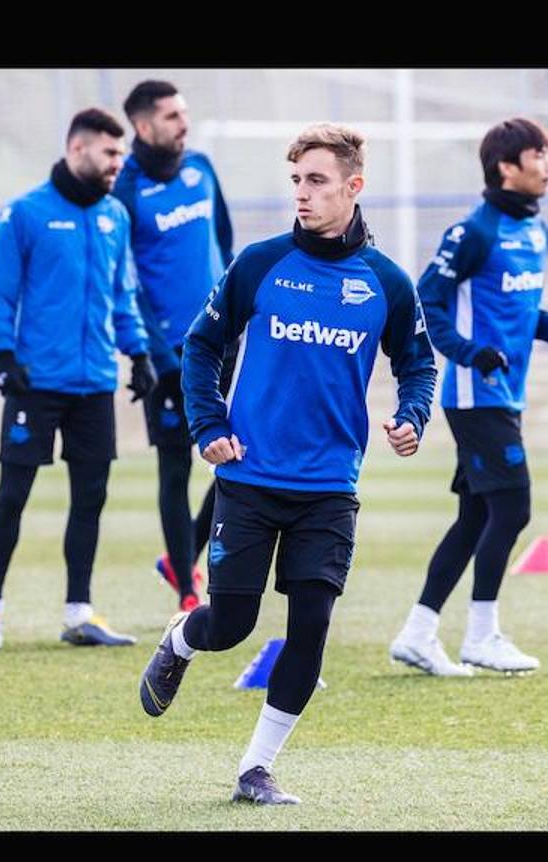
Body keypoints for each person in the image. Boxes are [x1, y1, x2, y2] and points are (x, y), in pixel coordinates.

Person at [136, 123, 436, 805]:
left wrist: (411, 416)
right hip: (247, 479)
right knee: (230, 624)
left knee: (311, 627)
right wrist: (208, 425)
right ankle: (181, 641)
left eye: (317, 181)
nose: (302, 194)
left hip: (330, 488)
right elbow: (201, 346)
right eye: (297, 181)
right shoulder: (259, 263)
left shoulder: (387, 283)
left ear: (354, 187)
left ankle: (255, 769)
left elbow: (418, 363)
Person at [387, 118, 548, 677]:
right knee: (513, 506)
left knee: (476, 515)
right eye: (538, 155)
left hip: (505, 391)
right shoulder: (472, 232)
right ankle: (481, 636)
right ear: (507, 166)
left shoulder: (537, 231)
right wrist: (467, 352)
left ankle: (418, 632)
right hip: (473, 393)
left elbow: (518, 313)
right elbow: (424, 301)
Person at [0, 107, 157, 650]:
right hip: (36, 382)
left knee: (91, 498)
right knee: (14, 494)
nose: (118, 162)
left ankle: (79, 613)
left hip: (95, 383)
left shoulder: (114, 217)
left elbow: (121, 295)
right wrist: (3, 354)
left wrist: (138, 352)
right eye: (109, 152)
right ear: (78, 150)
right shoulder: (25, 213)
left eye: (121, 153)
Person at [113, 80, 237, 613]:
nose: (183, 124)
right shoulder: (125, 190)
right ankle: (188, 589)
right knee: (175, 469)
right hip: (169, 353)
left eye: (184, 113)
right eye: (171, 116)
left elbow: (225, 245)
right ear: (144, 127)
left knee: (236, 454)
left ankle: (181, 556)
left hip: (223, 342)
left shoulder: (202, 169)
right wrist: (153, 351)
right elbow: (124, 279)